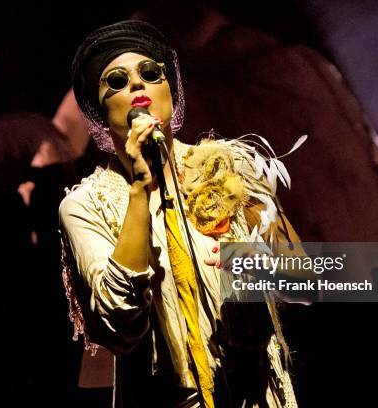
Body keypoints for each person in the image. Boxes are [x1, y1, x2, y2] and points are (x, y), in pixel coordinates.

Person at [59, 20, 309, 408]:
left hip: (256, 394)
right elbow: (117, 322)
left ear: (170, 93)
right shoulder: (85, 205)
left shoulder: (228, 166)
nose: (137, 86)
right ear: (101, 113)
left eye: (149, 73)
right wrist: (140, 188)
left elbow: (304, 279)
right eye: (117, 81)